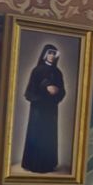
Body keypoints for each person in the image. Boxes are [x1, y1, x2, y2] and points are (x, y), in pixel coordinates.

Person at [20, 42, 69, 175]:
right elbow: (29, 92)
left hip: (51, 109)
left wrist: (57, 91)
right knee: (37, 134)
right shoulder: (37, 70)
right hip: (38, 109)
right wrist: (45, 87)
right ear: (45, 55)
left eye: (54, 54)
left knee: (49, 135)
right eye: (50, 53)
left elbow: (63, 91)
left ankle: (48, 164)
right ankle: (33, 164)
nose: (52, 56)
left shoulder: (58, 72)